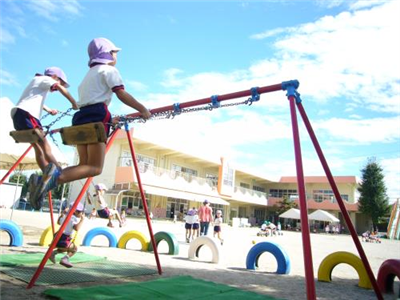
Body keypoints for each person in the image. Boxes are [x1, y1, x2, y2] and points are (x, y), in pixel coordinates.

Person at [30, 37, 151, 209]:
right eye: (115, 52)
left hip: (81, 118)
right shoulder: (109, 70)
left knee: (84, 165)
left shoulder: (88, 76)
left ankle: (46, 180)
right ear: (109, 54)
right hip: (96, 117)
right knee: (95, 167)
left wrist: (110, 119)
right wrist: (143, 109)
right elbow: (121, 94)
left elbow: (91, 102)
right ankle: (48, 180)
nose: (116, 56)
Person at [10, 67, 78, 209]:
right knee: (45, 144)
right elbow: (60, 88)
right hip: (27, 114)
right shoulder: (46, 79)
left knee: (37, 147)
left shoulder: (36, 82)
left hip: (18, 115)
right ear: (54, 77)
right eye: (60, 82)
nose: (55, 88)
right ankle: (58, 170)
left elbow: (33, 99)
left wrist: (48, 110)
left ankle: (44, 177)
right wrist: (73, 103)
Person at [50, 202, 85, 268]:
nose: (82, 214)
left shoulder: (65, 216)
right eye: (81, 212)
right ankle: (65, 259)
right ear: (75, 212)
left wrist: (62, 214)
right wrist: (82, 220)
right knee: (74, 249)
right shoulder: (73, 218)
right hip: (64, 238)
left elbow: (58, 222)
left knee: (66, 248)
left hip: (57, 237)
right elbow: (76, 228)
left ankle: (53, 253)